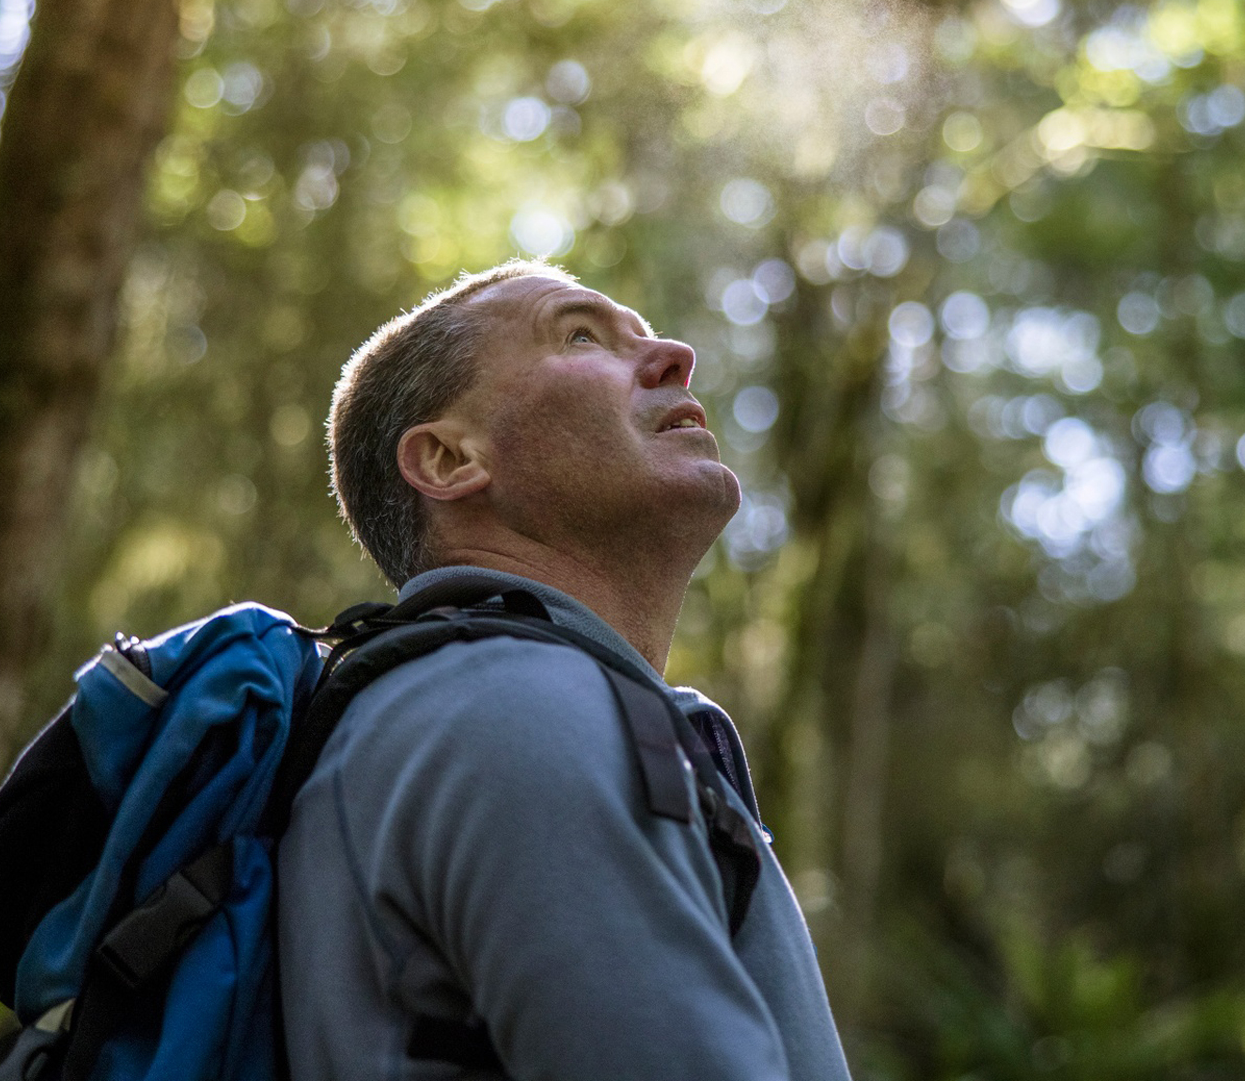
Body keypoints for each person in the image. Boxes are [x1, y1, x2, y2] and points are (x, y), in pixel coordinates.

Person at [278, 260, 852, 1081]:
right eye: (581, 335)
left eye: (647, 335)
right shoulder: (511, 706)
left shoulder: (473, 702)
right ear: (446, 461)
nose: (674, 355)